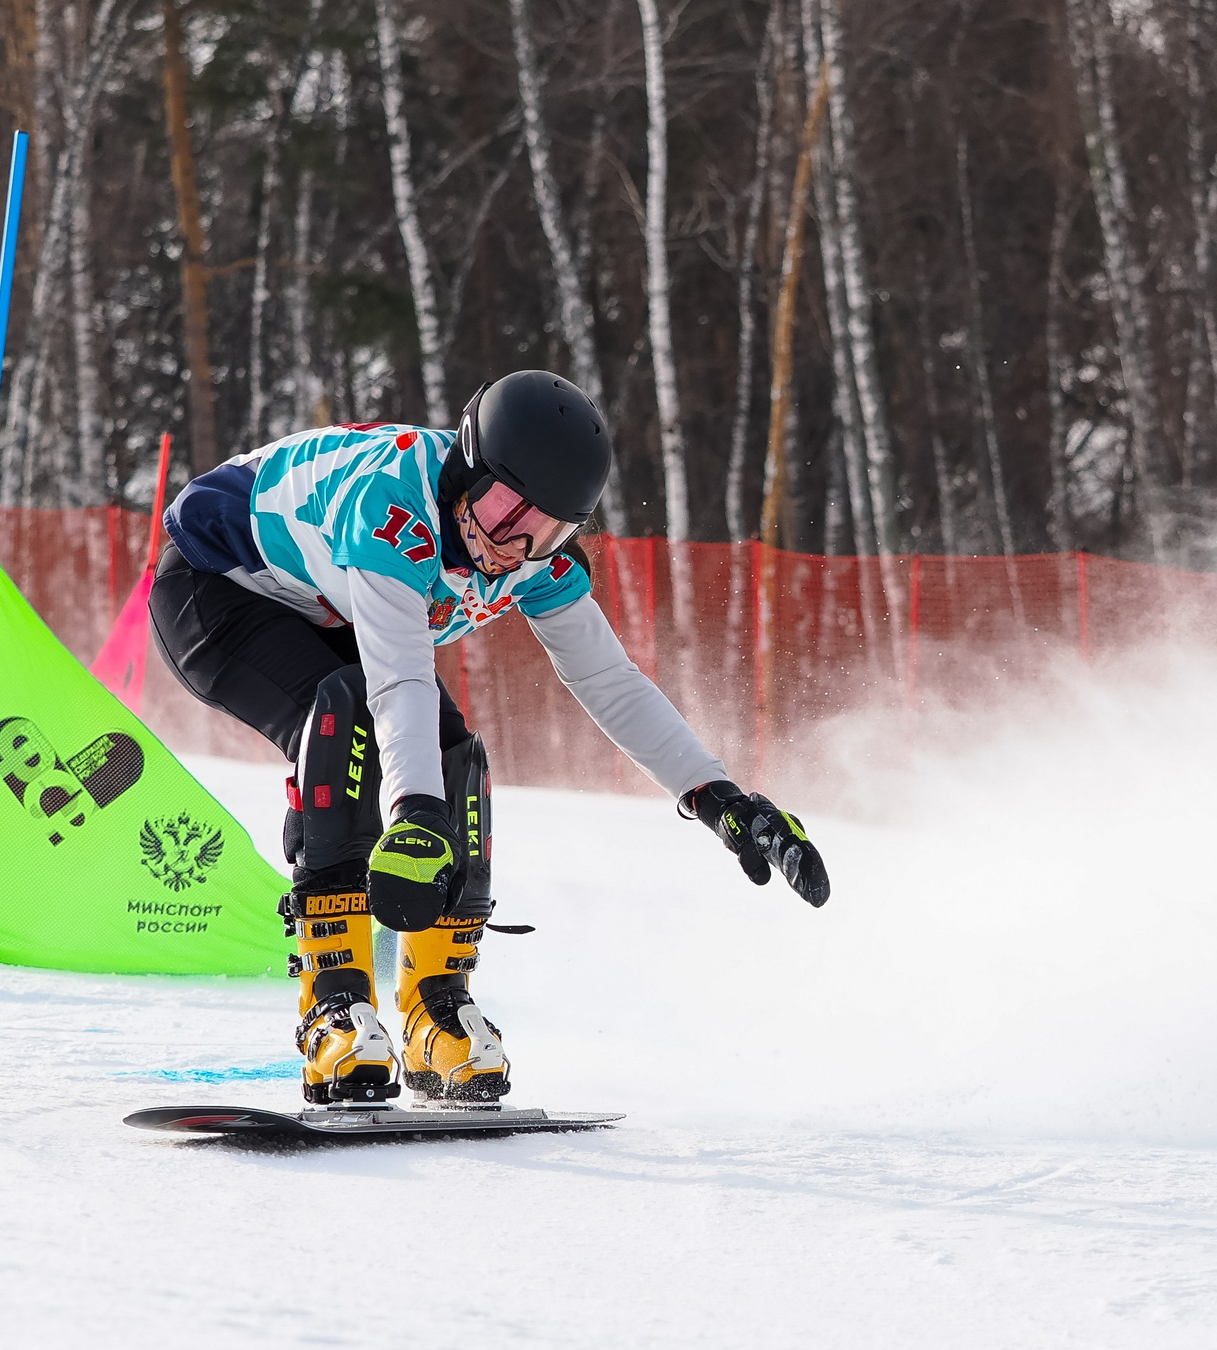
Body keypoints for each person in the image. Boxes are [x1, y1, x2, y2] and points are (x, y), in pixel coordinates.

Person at [148, 370, 829, 1106]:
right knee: (344, 716)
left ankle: (432, 1009)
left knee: (451, 753)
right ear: (467, 468)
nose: (515, 544)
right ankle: (334, 1007)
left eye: (548, 528)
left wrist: (714, 794)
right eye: (508, 509)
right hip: (217, 584)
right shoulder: (393, 507)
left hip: (323, 605)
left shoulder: (534, 559)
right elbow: (399, 682)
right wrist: (412, 812)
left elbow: (611, 680)